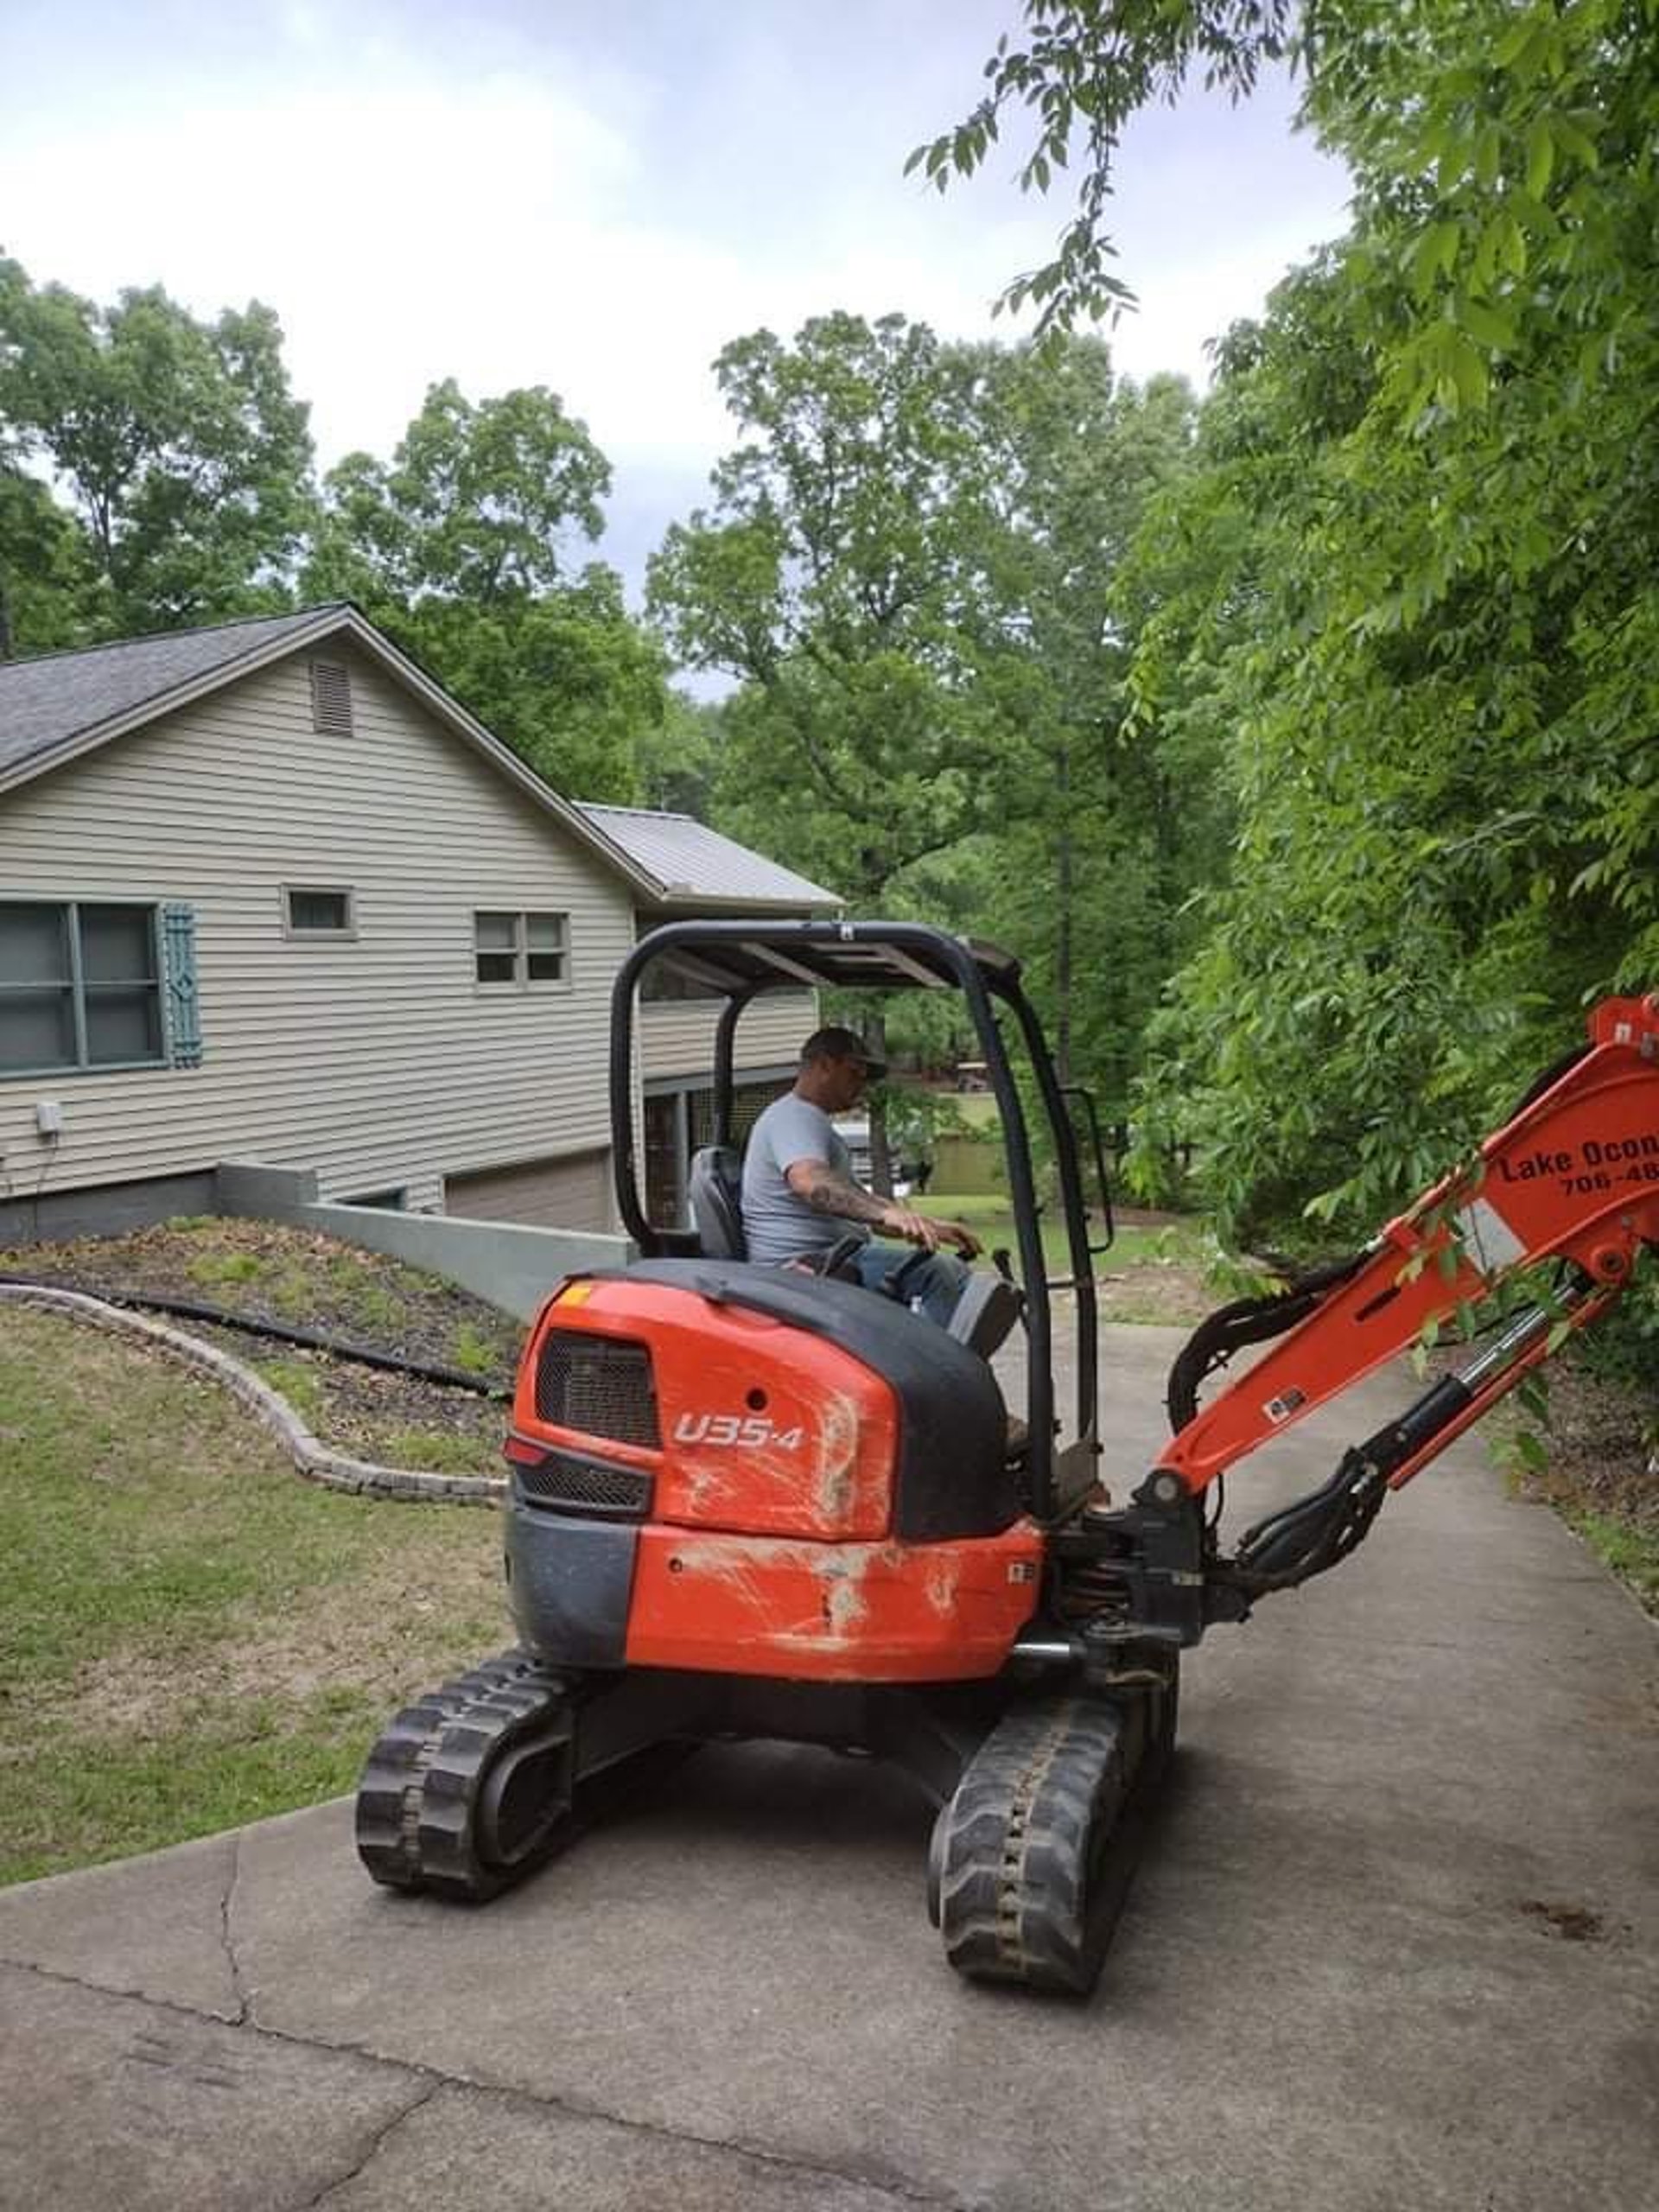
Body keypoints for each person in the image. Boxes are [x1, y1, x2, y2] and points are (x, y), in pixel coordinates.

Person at [741, 1026, 982, 1326]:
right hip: (803, 1269)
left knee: (952, 1275)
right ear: (825, 1065)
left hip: (835, 1258)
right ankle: (940, 1369)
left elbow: (858, 1207)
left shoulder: (808, 1121)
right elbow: (809, 1182)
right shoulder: (795, 1116)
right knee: (941, 1275)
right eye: (855, 1073)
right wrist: (885, 1212)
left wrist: (930, 1227)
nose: (862, 1085)